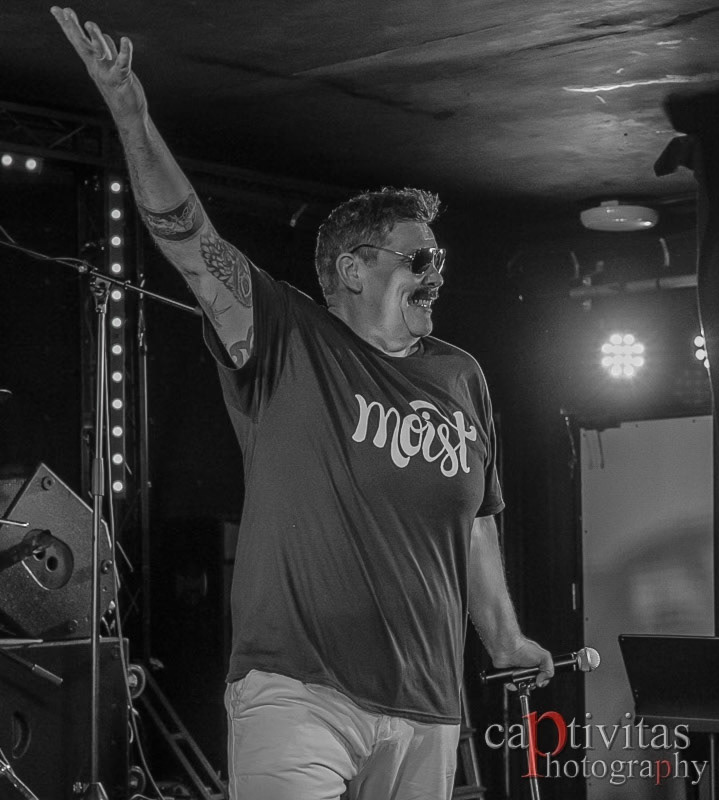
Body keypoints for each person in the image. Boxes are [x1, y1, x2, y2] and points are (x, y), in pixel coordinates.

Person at [50, 7, 554, 799]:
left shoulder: (462, 376)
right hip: (298, 692)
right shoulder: (290, 336)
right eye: (419, 259)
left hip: (428, 707)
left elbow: (477, 522)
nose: (437, 274)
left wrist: (504, 637)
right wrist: (131, 115)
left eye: (441, 258)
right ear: (354, 270)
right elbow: (187, 238)